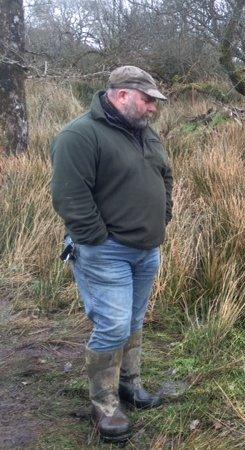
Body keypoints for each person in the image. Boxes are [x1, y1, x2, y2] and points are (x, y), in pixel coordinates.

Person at [51, 66, 173, 443]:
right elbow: (70, 198)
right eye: (148, 100)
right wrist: (98, 241)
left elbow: (164, 176)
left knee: (134, 320)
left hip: (146, 249)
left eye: (155, 102)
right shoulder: (79, 135)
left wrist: (162, 216)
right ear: (122, 95)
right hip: (106, 252)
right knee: (114, 324)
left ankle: (129, 387)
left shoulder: (144, 133)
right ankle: (104, 403)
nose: (153, 108)